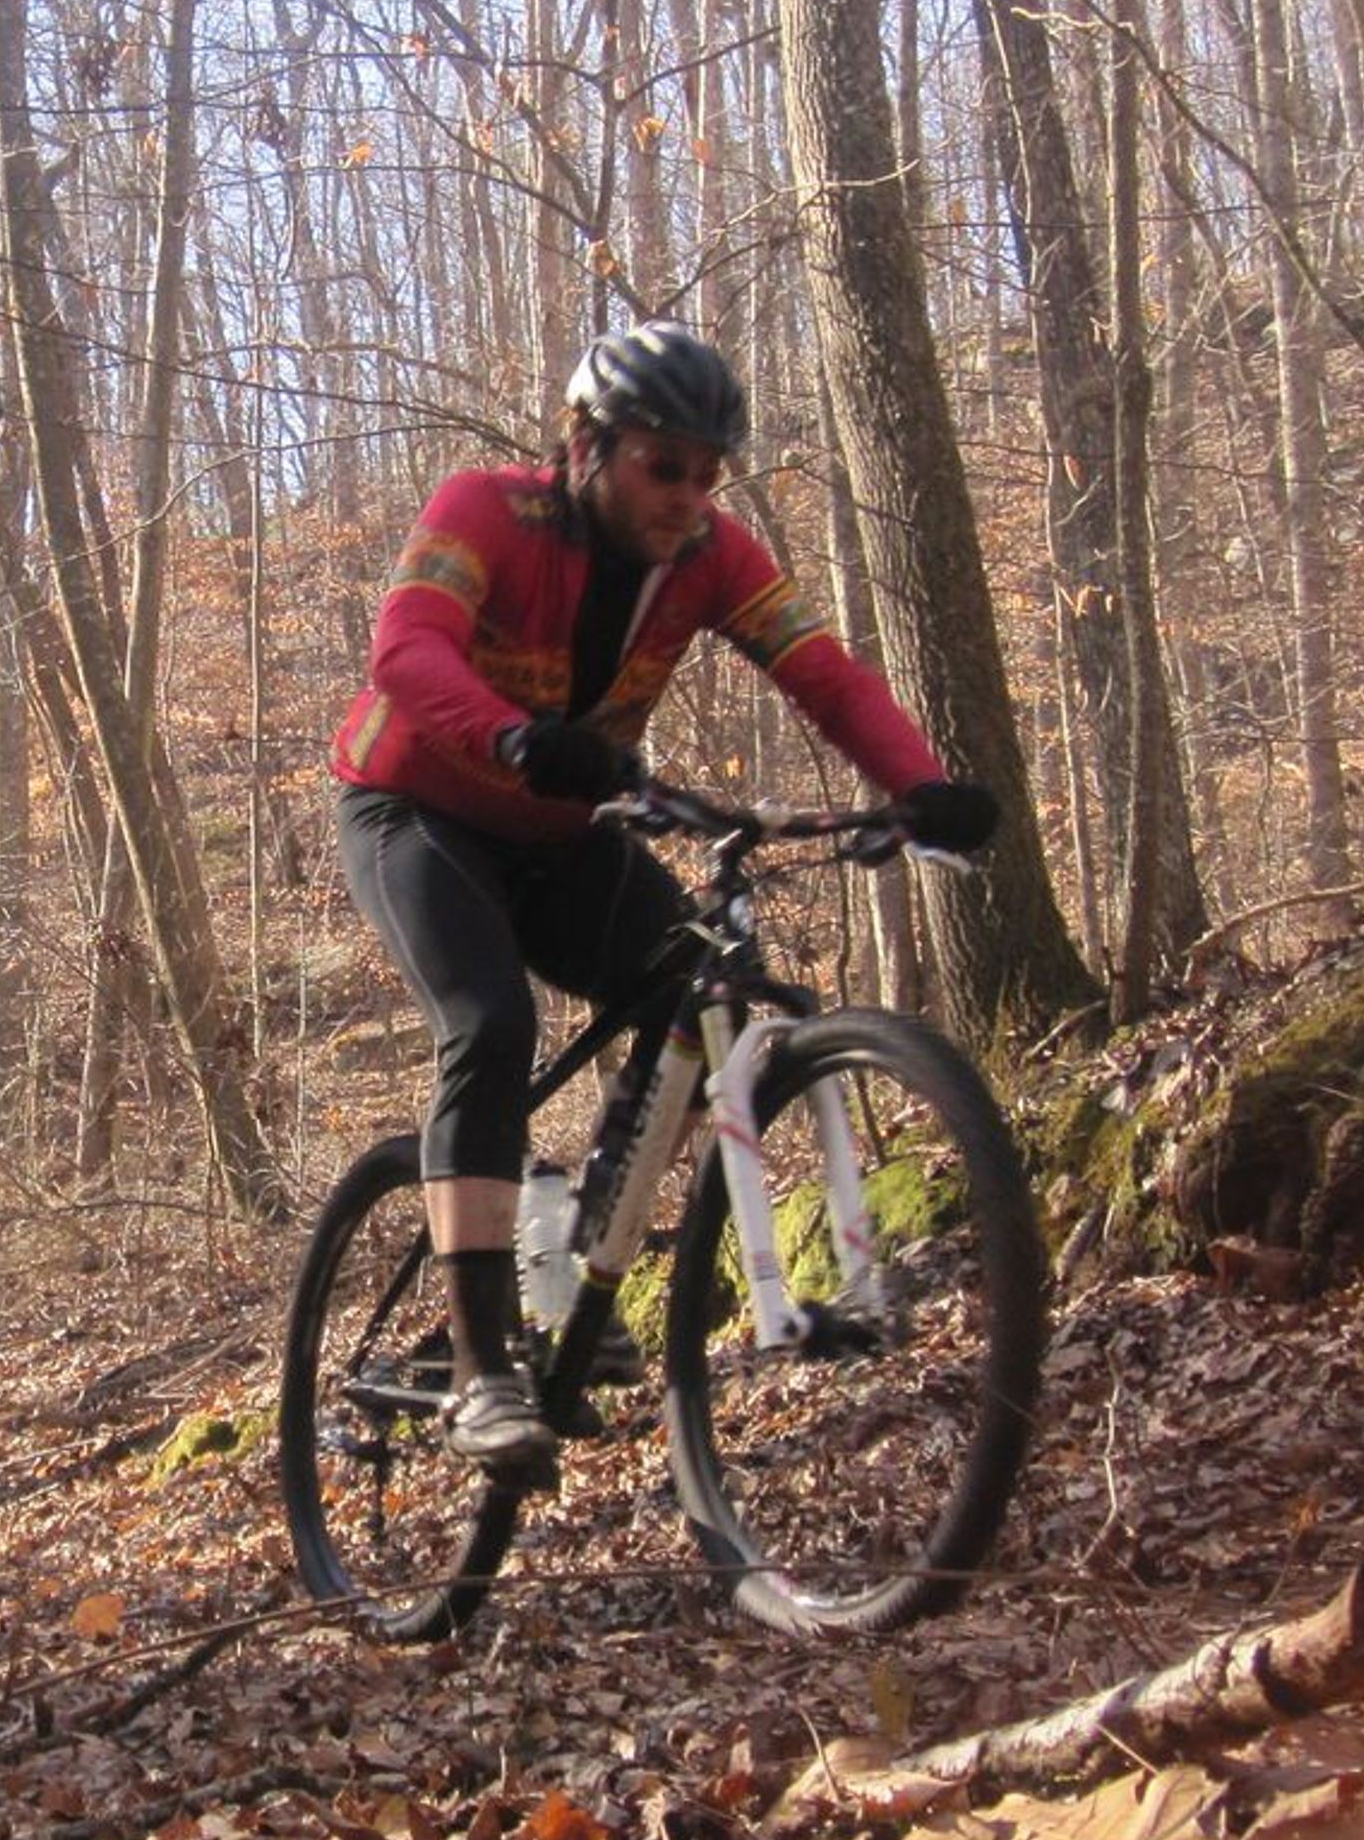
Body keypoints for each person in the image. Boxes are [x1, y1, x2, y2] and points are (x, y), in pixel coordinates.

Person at [328, 320, 999, 1483]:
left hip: (563, 827)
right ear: (586, 445)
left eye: (705, 474)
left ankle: (585, 1247)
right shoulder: (487, 509)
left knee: (688, 984)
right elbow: (404, 651)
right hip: (415, 811)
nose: (687, 497)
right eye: (661, 466)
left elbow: (821, 673)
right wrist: (510, 733)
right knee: (489, 1028)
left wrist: (922, 788)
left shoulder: (713, 559)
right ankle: (486, 1371)